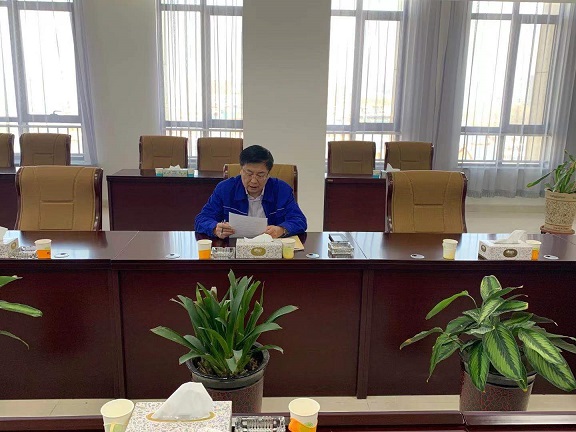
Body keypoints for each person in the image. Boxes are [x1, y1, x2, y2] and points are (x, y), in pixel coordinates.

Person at [195, 145, 307, 239]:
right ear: (241, 170)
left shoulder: (282, 190)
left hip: (271, 249)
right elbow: (202, 219)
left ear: (268, 174)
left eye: (260, 175)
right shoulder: (225, 189)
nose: (253, 181)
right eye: (249, 173)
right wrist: (215, 228)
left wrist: (281, 229)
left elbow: (299, 220)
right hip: (236, 249)